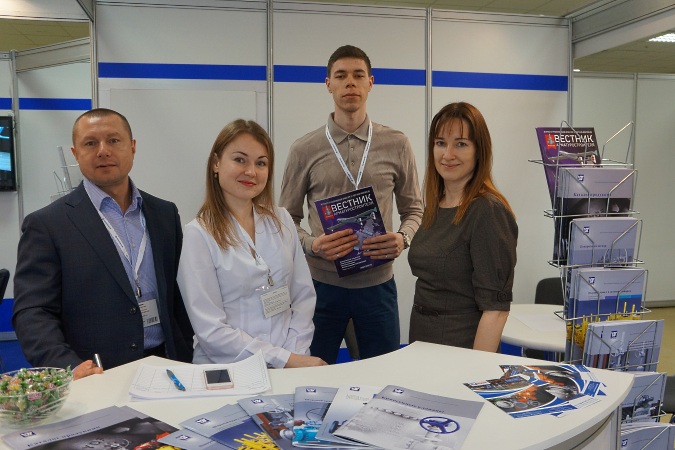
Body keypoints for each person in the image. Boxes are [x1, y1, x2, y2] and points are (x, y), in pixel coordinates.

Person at [12, 108, 194, 379]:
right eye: (90, 143)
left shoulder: (165, 214)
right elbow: (33, 312)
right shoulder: (48, 225)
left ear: (132, 147)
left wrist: (186, 351)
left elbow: (179, 296)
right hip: (96, 374)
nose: (103, 151)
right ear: (75, 154)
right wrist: (67, 366)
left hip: (169, 366)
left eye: (114, 140)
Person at [279, 45, 423, 364]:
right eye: (341, 76)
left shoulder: (397, 143)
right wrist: (312, 245)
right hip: (320, 287)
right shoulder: (304, 149)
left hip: (377, 286)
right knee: (313, 375)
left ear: (371, 82)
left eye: (358, 75)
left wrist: (403, 238)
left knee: (382, 374)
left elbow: (415, 209)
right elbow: (285, 218)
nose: (350, 83)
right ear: (328, 84)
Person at [177, 119, 326, 368]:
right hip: (230, 369)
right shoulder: (198, 234)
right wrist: (283, 360)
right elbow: (211, 331)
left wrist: (294, 353)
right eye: (240, 160)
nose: (251, 172)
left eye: (261, 163)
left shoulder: (282, 219)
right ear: (216, 163)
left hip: (292, 360)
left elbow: (303, 297)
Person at [408, 102, 518, 352]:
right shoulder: (436, 206)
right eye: (440, 143)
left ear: (479, 151)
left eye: (461, 144)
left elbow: (496, 310)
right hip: (422, 342)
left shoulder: (487, 211)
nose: (448, 154)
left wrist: (475, 369)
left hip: (461, 348)